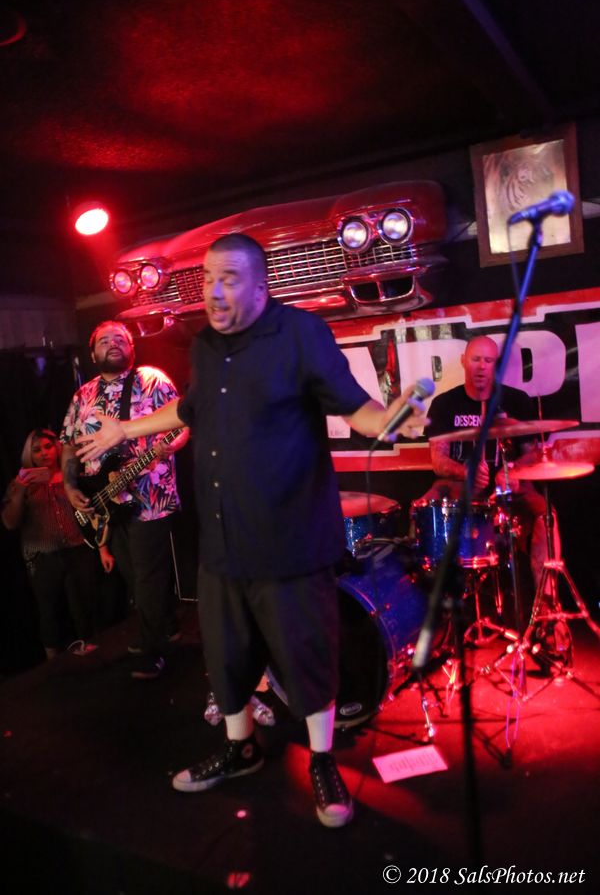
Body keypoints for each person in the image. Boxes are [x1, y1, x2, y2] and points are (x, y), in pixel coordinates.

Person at [73, 233, 425, 829]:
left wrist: (390, 420)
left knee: (307, 657)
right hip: (222, 543)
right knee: (227, 656)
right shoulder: (206, 346)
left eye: (229, 278)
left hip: (291, 544)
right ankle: (240, 750)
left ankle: (322, 760)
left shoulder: (301, 334)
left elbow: (356, 407)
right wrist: (124, 430)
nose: (214, 290)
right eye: (208, 278)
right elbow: (190, 408)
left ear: (262, 286)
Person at [60, 321, 189, 680]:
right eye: (105, 340)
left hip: (150, 495)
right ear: (93, 353)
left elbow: (182, 424)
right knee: (132, 573)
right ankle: (167, 625)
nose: (113, 343)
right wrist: (70, 486)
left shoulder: (152, 380)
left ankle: (151, 650)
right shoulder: (83, 395)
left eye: (121, 338)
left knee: (148, 576)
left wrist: (168, 447)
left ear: (132, 348)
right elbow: (68, 443)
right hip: (106, 500)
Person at [421, 335, 560, 606]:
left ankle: (546, 606)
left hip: (509, 485)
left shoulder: (516, 400)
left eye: (488, 360)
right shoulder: (445, 404)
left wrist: (512, 472)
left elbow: (531, 454)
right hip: (459, 485)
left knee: (546, 515)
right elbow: (438, 460)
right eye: (476, 359)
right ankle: (425, 603)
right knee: (424, 508)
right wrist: (465, 472)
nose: (482, 366)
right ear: (464, 361)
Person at [1, 428, 110, 659]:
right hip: (43, 557)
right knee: (49, 613)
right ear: (29, 453)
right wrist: (20, 489)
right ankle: (52, 668)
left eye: (48, 447)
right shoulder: (21, 484)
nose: (43, 453)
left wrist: (103, 548)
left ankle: (93, 657)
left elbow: (94, 513)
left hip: (78, 549)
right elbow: (10, 522)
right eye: (36, 449)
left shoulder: (71, 478)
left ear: (57, 447)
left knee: (86, 608)